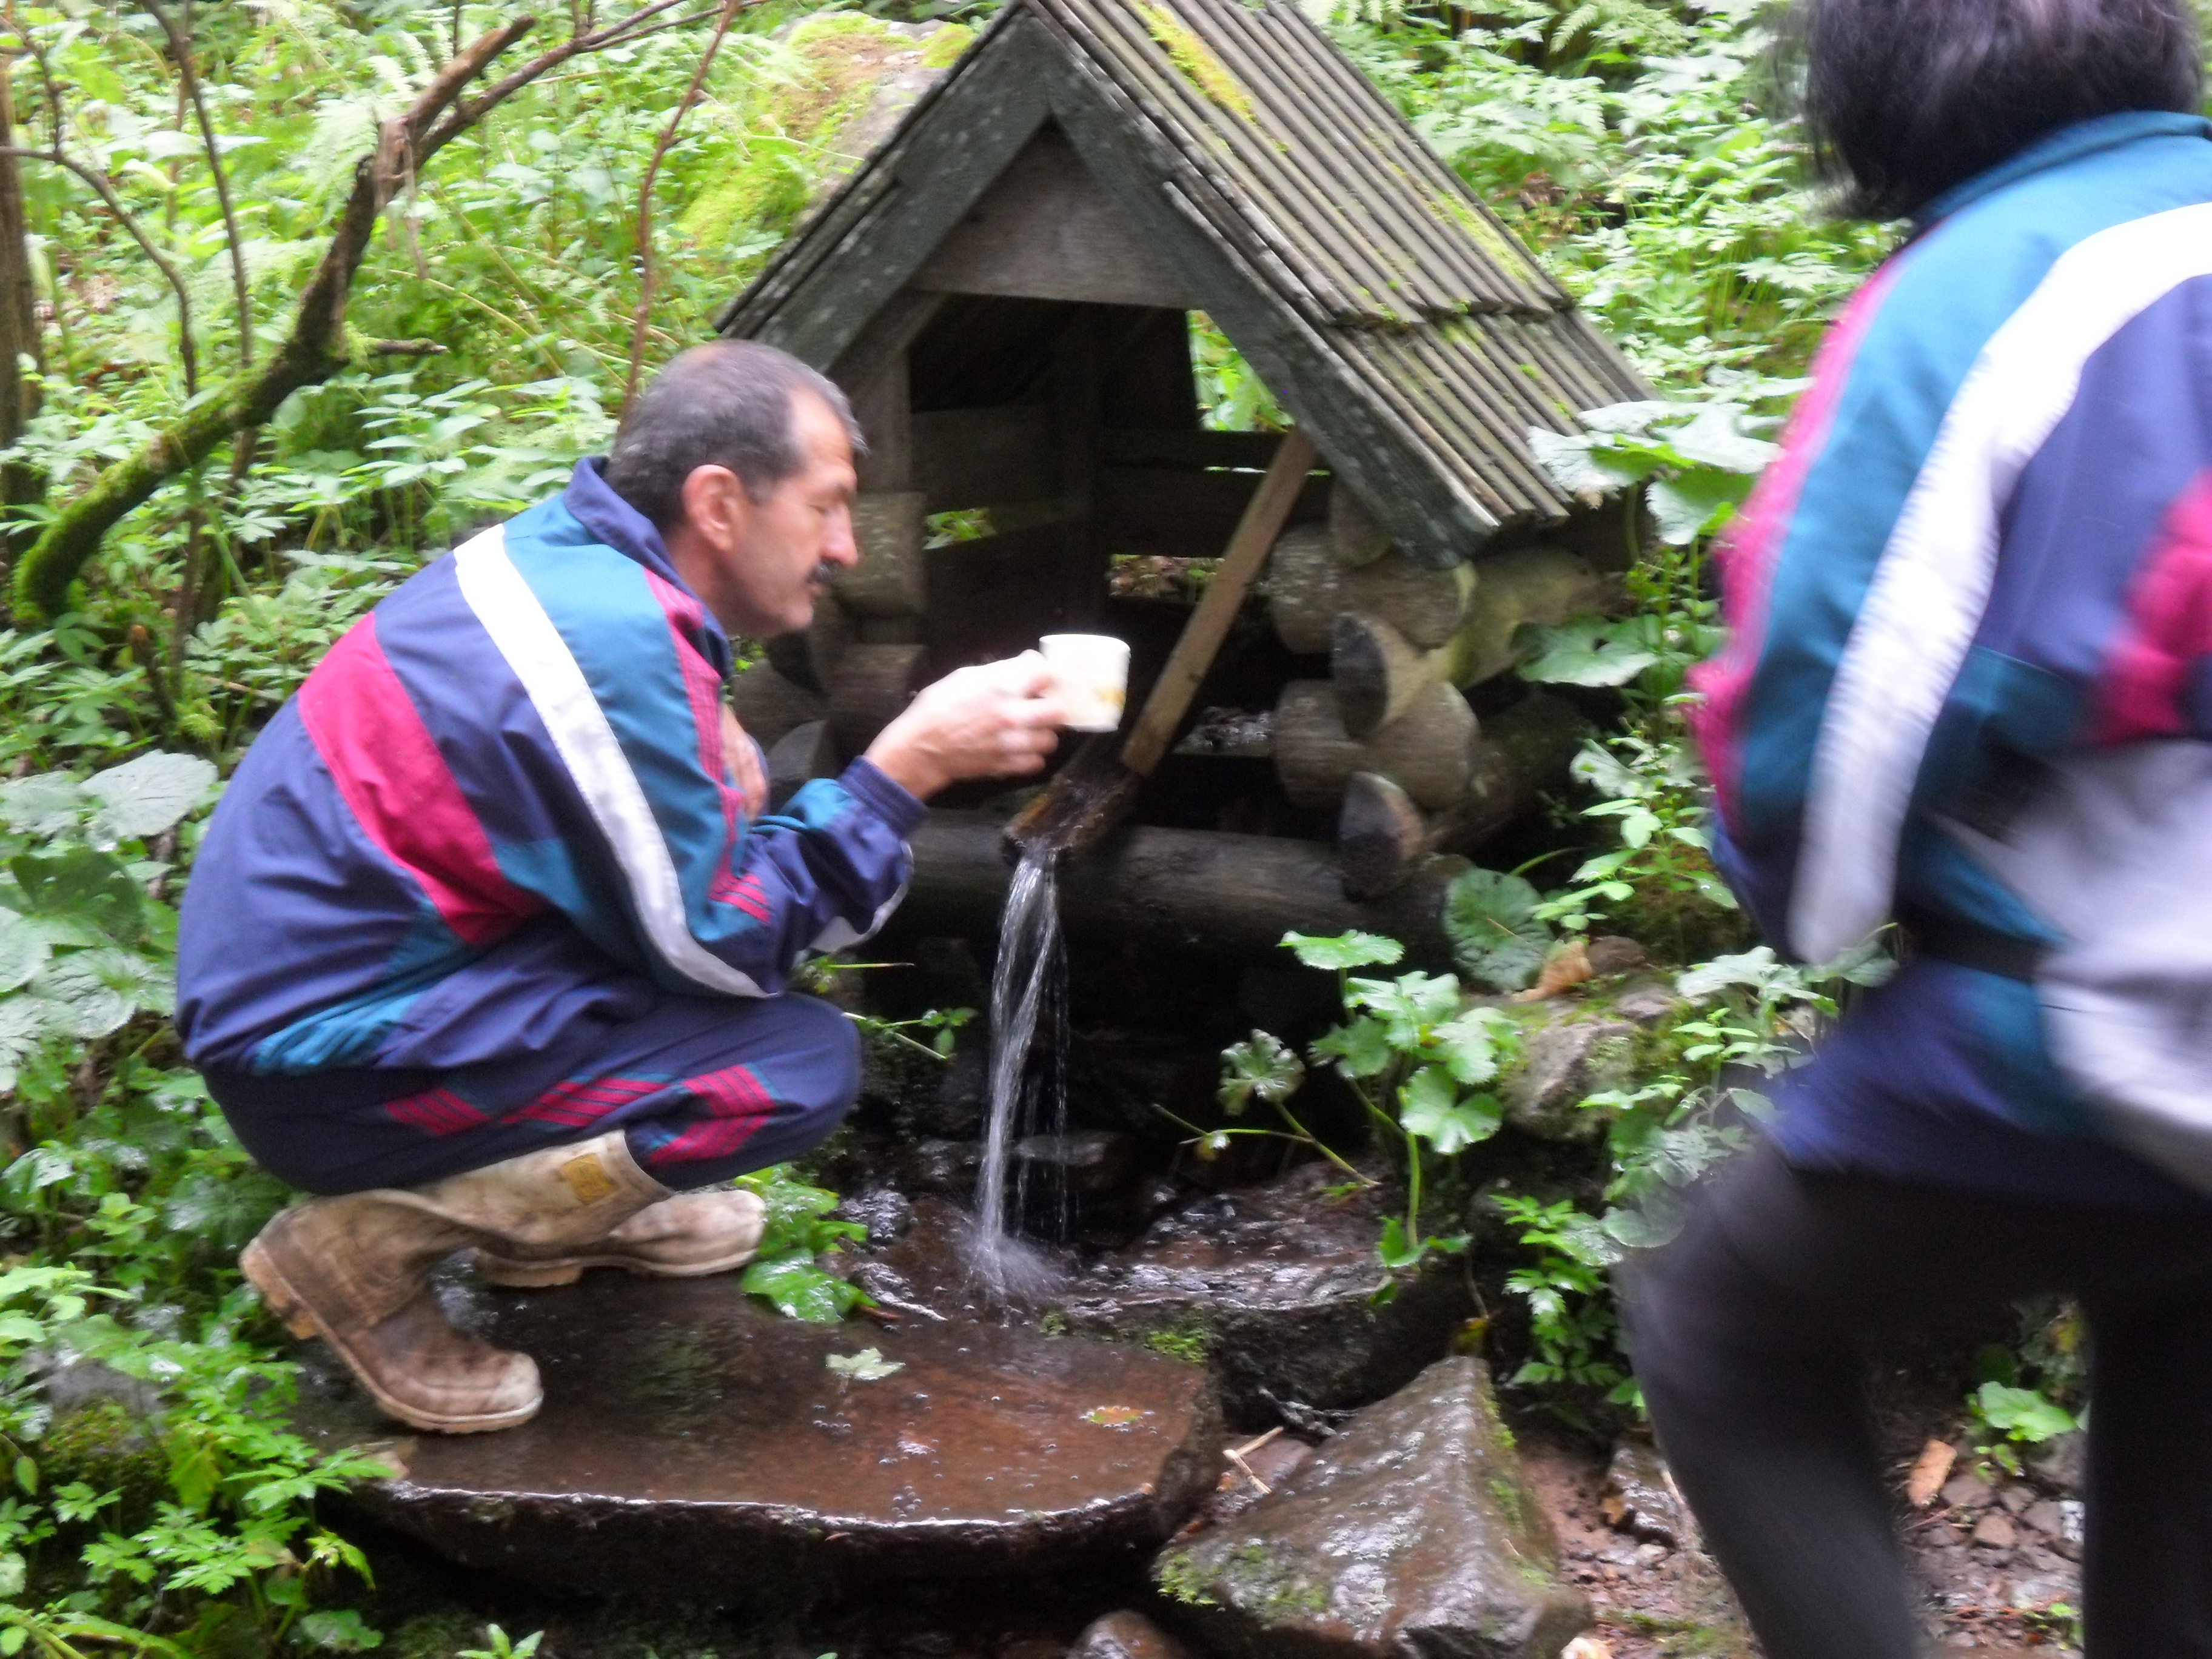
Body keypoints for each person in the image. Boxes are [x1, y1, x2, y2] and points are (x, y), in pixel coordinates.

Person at [1623, 2, 2212, 1655]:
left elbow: (1829, 695)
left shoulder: (1998, 282)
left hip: (2125, 1007)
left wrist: (1803, 904)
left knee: (1718, 1326)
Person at [176, 341, 1065, 1435]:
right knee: (790, 1063)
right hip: (327, 1069)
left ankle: (572, 1213)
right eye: (827, 506)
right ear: (720, 504)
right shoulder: (607, 643)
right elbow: (727, 948)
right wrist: (905, 770)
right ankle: (363, 1252)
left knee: (715, 1001)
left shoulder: (575, 566)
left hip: (351, 999)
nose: (844, 547)